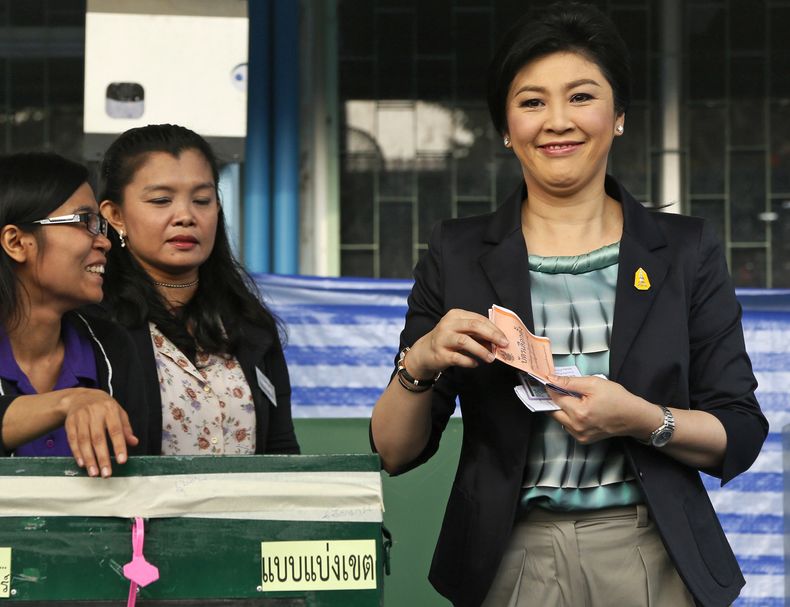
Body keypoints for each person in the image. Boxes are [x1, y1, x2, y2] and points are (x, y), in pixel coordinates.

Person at [370, 4, 767, 607]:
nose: (557, 121)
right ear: (505, 125)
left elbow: (737, 430)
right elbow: (394, 452)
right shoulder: (457, 252)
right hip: (508, 559)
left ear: (619, 116)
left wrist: (640, 418)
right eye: (531, 102)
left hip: (650, 552)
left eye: (581, 96)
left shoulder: (685, 251)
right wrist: (419, 362)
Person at [99, 124, 299, 456]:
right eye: (161, 200)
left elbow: (281, 449)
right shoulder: (95, 322)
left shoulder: (249, 324)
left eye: (202, 200)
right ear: (116, 215)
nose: (186, 216)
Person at [0, 152, 149, 476]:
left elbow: (139, 480)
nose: (104, 243)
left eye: (100, 226)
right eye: (85, 222)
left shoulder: (112, 348)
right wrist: (70, 401)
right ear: (16, 242)